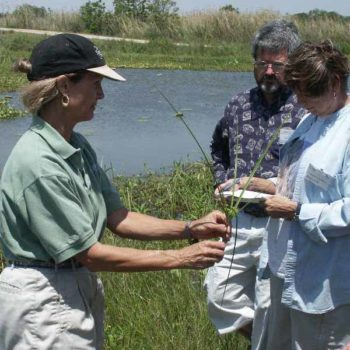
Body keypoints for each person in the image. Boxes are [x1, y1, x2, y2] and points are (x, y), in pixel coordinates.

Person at [0, 33, 230, 350]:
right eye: (95, 84)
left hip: (71, 287)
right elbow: (90, 254)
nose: (102, 95)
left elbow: (118, 217)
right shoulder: (38, 162)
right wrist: (181, 257)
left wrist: (189, 228)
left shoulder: (74, 145)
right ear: (65, 87)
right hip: (42, 299)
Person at [203, 19, 305, 347]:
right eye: (263, 63)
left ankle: (272, 340)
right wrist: (222, 181)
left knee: (268, 302)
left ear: (293, 64)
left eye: (278, 64)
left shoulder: (305, 110)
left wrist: (269, 185)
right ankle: (271, 339)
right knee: (219, 294)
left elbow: (314, 174)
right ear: (254, 64)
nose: (270, 71)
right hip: (239, 219)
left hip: (281, 225)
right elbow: (218, 147)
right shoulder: (238, 105)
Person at [262, 40, 350, 349]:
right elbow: (300, 178)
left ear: (335, 83)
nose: (299, 100)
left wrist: (298, 212)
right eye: (295, 90)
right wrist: (267, 185)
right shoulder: (310, 117)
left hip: (326, 277)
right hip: (287, 265)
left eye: (306, 91)